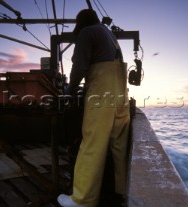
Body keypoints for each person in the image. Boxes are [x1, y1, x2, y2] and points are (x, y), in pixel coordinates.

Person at [57, 9, 130, 207]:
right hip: (121, 92)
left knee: (92, 144)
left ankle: (82, 200)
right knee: (119, 144)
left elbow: (79, 67)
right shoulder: (110, 35)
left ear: (80, 23)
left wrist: (70, 91)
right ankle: (122, 191)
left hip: (102, 92)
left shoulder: (87, 32)